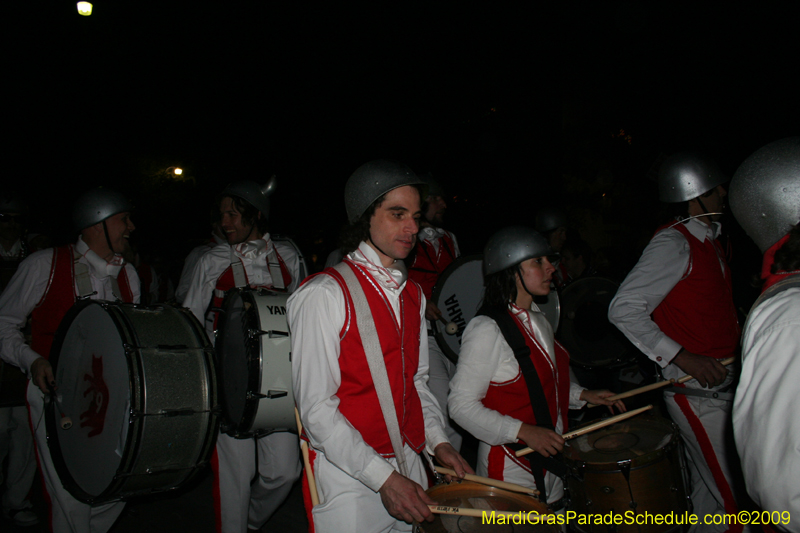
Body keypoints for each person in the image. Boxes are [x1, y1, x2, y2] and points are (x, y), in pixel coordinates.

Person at [287, 160, 472, 533]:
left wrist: (438, 443)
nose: (412, 228)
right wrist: (383, 478)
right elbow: (316, 410)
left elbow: (417, 384)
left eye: (416, 216)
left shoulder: (414, 296)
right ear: (363, 217)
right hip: (348, 477)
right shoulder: (323, 294)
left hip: (409, 461)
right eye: (397, 214)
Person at [608, 152, 744, 532]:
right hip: (698, 395)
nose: (724, 194)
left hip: (719, 387)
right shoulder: (674, 243)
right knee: (738, 503)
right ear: (695, 193)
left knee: (708, 501)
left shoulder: (711, 241)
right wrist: (684, 358)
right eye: (716, 189)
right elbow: (624, 308)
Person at [449, 226, 623, 507]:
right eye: (538, 262)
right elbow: (460, 406)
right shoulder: (486, 329)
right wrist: (523, 431)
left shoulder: (539, 319)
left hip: (550, 463)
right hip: (508, 470)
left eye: (548, 261)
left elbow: (540, 386)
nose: (551, 269)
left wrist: (582, 396)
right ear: (512, 271)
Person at [0, 188, 140, 533]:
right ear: (97, 224)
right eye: (123, 219)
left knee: (118, 486)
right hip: (55, 397)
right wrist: (31, 360)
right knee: (72, 497)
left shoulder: (129, 276)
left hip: (110, 401)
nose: (131, 227)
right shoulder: (43, 264)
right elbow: (3, 324)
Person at [183, 179, 301, 533]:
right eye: (222, 215)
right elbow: (189, 321)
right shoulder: (211, 260)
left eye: (233, 214)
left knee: (284, 472)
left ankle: (250, 522)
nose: (225, 223)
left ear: (256, 216)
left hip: (277, 382)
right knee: (236, 477)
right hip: (226, 382)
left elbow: (303, 317)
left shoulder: (289, 257)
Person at [729, 137, 800, 529]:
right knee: (723, 497)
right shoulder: (792, 315)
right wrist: (679, 357)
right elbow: (781, 482)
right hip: (695, 383)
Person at [406, 174, 462, 451]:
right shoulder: (407, 241)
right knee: (444, 410)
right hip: (425, 339)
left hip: (455, 338)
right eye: (437, 198)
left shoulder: (450, 239)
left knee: (461, 409)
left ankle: (451, 483)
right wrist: (420, 301)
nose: (443, 204)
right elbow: (394, 282)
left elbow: (461, 282)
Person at [0, 195, 38, 527]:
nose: (10, 224)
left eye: (16, 218)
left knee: (25, 436)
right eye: (4, 217)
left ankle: (16, 500)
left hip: (23, 362)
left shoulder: (34, 257)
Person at [175, 221, 226, 305]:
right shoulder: (200, 253)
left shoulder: (242, 252)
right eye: (222, 220)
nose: (227, 224)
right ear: (214, 224)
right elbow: (181, 293)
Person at [534, 207, 569, 289]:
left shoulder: (559, 263)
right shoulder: (534, 266)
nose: (564, 237)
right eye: (560, 232)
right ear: (548, 233)